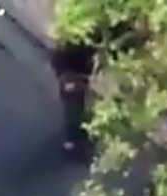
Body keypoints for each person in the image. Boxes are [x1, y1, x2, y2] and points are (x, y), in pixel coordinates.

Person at [50, 20, 143, 162]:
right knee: (74, 103)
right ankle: (75, 141)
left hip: (74, 65)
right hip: (73, 66)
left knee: (74, 103)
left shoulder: (78, 47)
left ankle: (76, 139)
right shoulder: (70, 57)